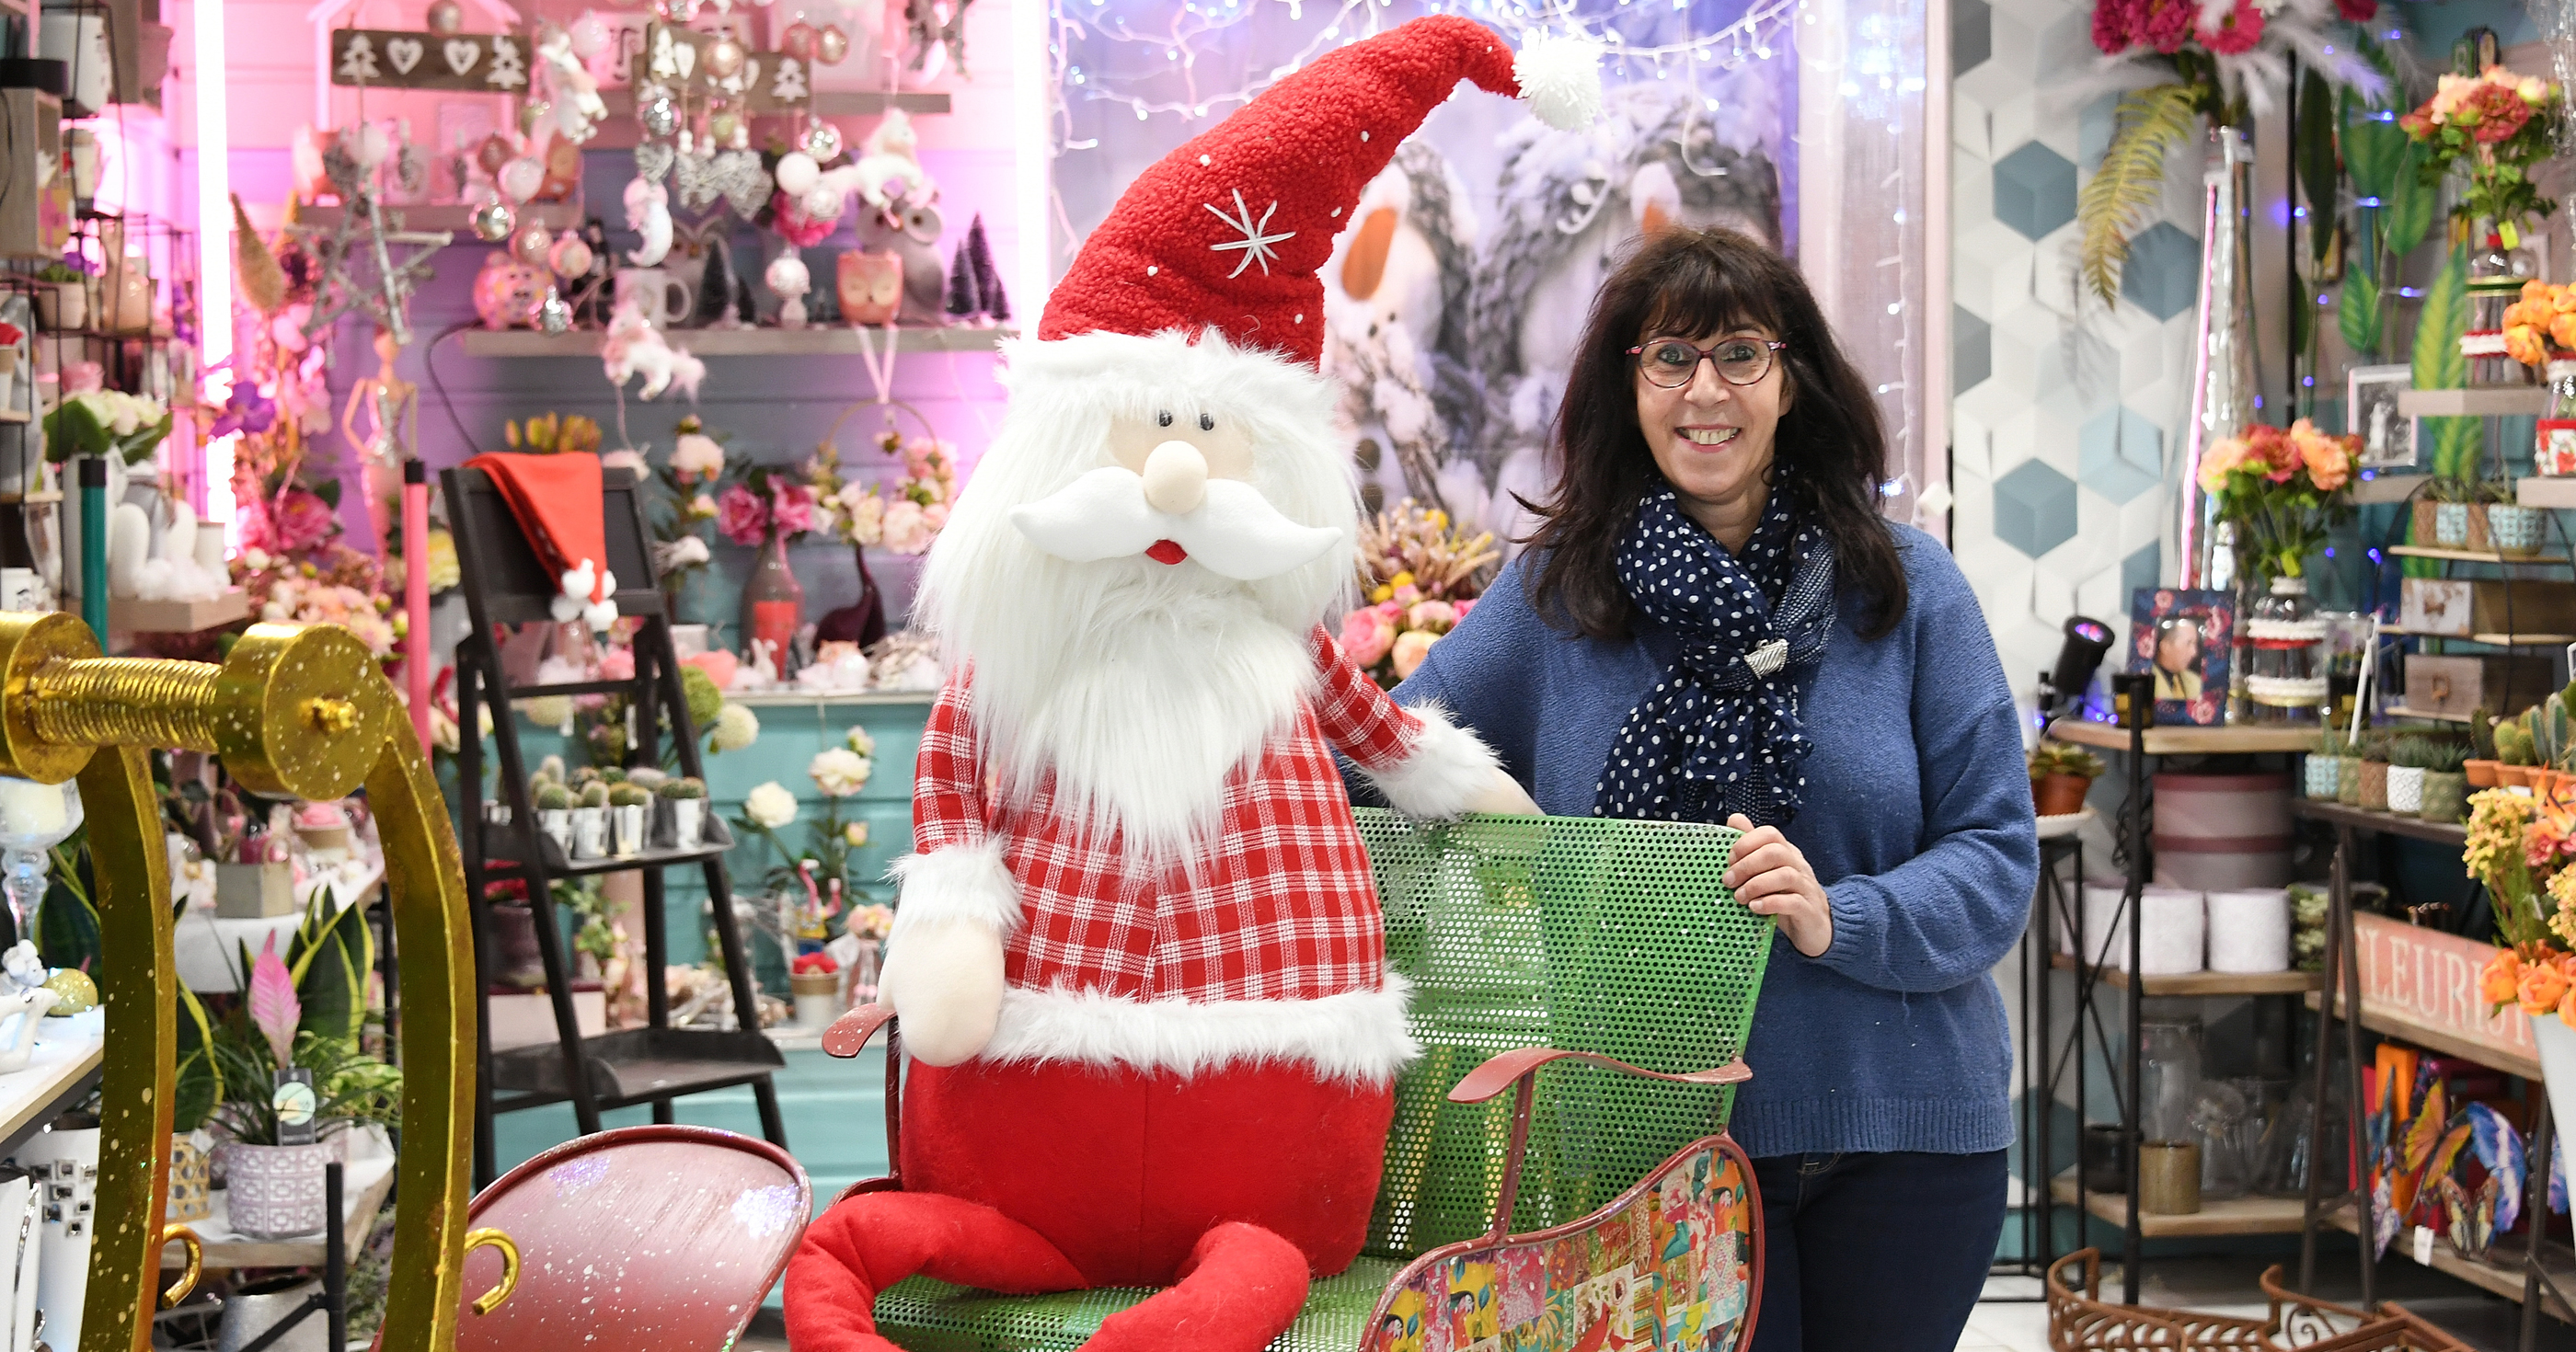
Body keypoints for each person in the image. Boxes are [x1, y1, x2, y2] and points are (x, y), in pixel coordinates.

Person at [1382, 227, 2035, 1351]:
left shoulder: (1906, 586)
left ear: (1792, 383)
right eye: (1669, 357)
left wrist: (1842, 914)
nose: (1705, 390)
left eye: (1739, 353)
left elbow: (1995, 857)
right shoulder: (1558, 597)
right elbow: (1380, 753)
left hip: (1907, 1134)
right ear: (1625, 386)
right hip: (1651, 1145)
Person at [2152, 614, 2205, 701]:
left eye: (2195, 644)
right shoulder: (2148, 683)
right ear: (2165, 646)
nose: (2194, 652)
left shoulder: (2196, 682)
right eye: (2188, 643)